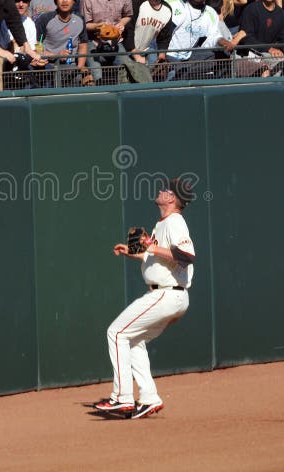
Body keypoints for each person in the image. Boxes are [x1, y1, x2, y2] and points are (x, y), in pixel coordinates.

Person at [95, 178, 195, 419]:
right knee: (134, 340)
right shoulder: (163, 223)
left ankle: (122, 398)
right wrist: (135, 253)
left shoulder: (175, 221)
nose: (161, 191)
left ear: (172, 199)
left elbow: (187, 255)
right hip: (169, 294)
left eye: (166, 190)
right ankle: (149, 398)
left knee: (116, 332)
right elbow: (160, 260)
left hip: (166, 294)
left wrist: (150, 247)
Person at [166, 0, 234, 78]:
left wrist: (221, 41)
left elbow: (213, 36)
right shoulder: (175, 4)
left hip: (190, 55)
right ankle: (178, 74)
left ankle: (220, 87)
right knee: (178, 72)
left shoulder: (210, 12)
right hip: (169, 54)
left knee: (223, 54)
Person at [80, 0, 132, 80]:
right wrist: (99, 26)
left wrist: (121, 24)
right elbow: (84, 25)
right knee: (96, 75)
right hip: (93, 43)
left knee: (128, 68)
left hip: (116, 42)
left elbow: (128, 15)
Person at [34, 0, 90, 85]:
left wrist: (80, 67)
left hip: (72, 68)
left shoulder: (80, 20)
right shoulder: (44, 19)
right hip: (48, 66)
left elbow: (83, 45)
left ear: (74, 0)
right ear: (56, 1)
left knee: (89, 79)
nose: (64, 1)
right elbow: (38, 46)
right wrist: (56, 55)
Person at [123, 0, 174, 71]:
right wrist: (137, 56)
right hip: (125, 49)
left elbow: (164, 38)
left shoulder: (167, 10)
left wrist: (162, 57)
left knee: (169, 71)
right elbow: (127, 31)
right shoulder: (136, 1)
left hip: (145, 50)